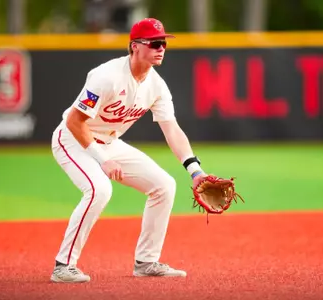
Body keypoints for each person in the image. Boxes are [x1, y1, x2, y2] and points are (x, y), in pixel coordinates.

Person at [49, 18, 207, 283]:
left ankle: (146, 262)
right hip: (73, 139)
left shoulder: (156, 86)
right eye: (155, 43)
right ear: (135, 46)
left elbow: (172, 130)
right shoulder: (106, 76)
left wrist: (195, 171)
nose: (161, 48)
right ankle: (63, 266)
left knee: (164, 185)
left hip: (109, 142)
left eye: (164, 43)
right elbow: (75, 121)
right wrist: (101, 160)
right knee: (99, 189)